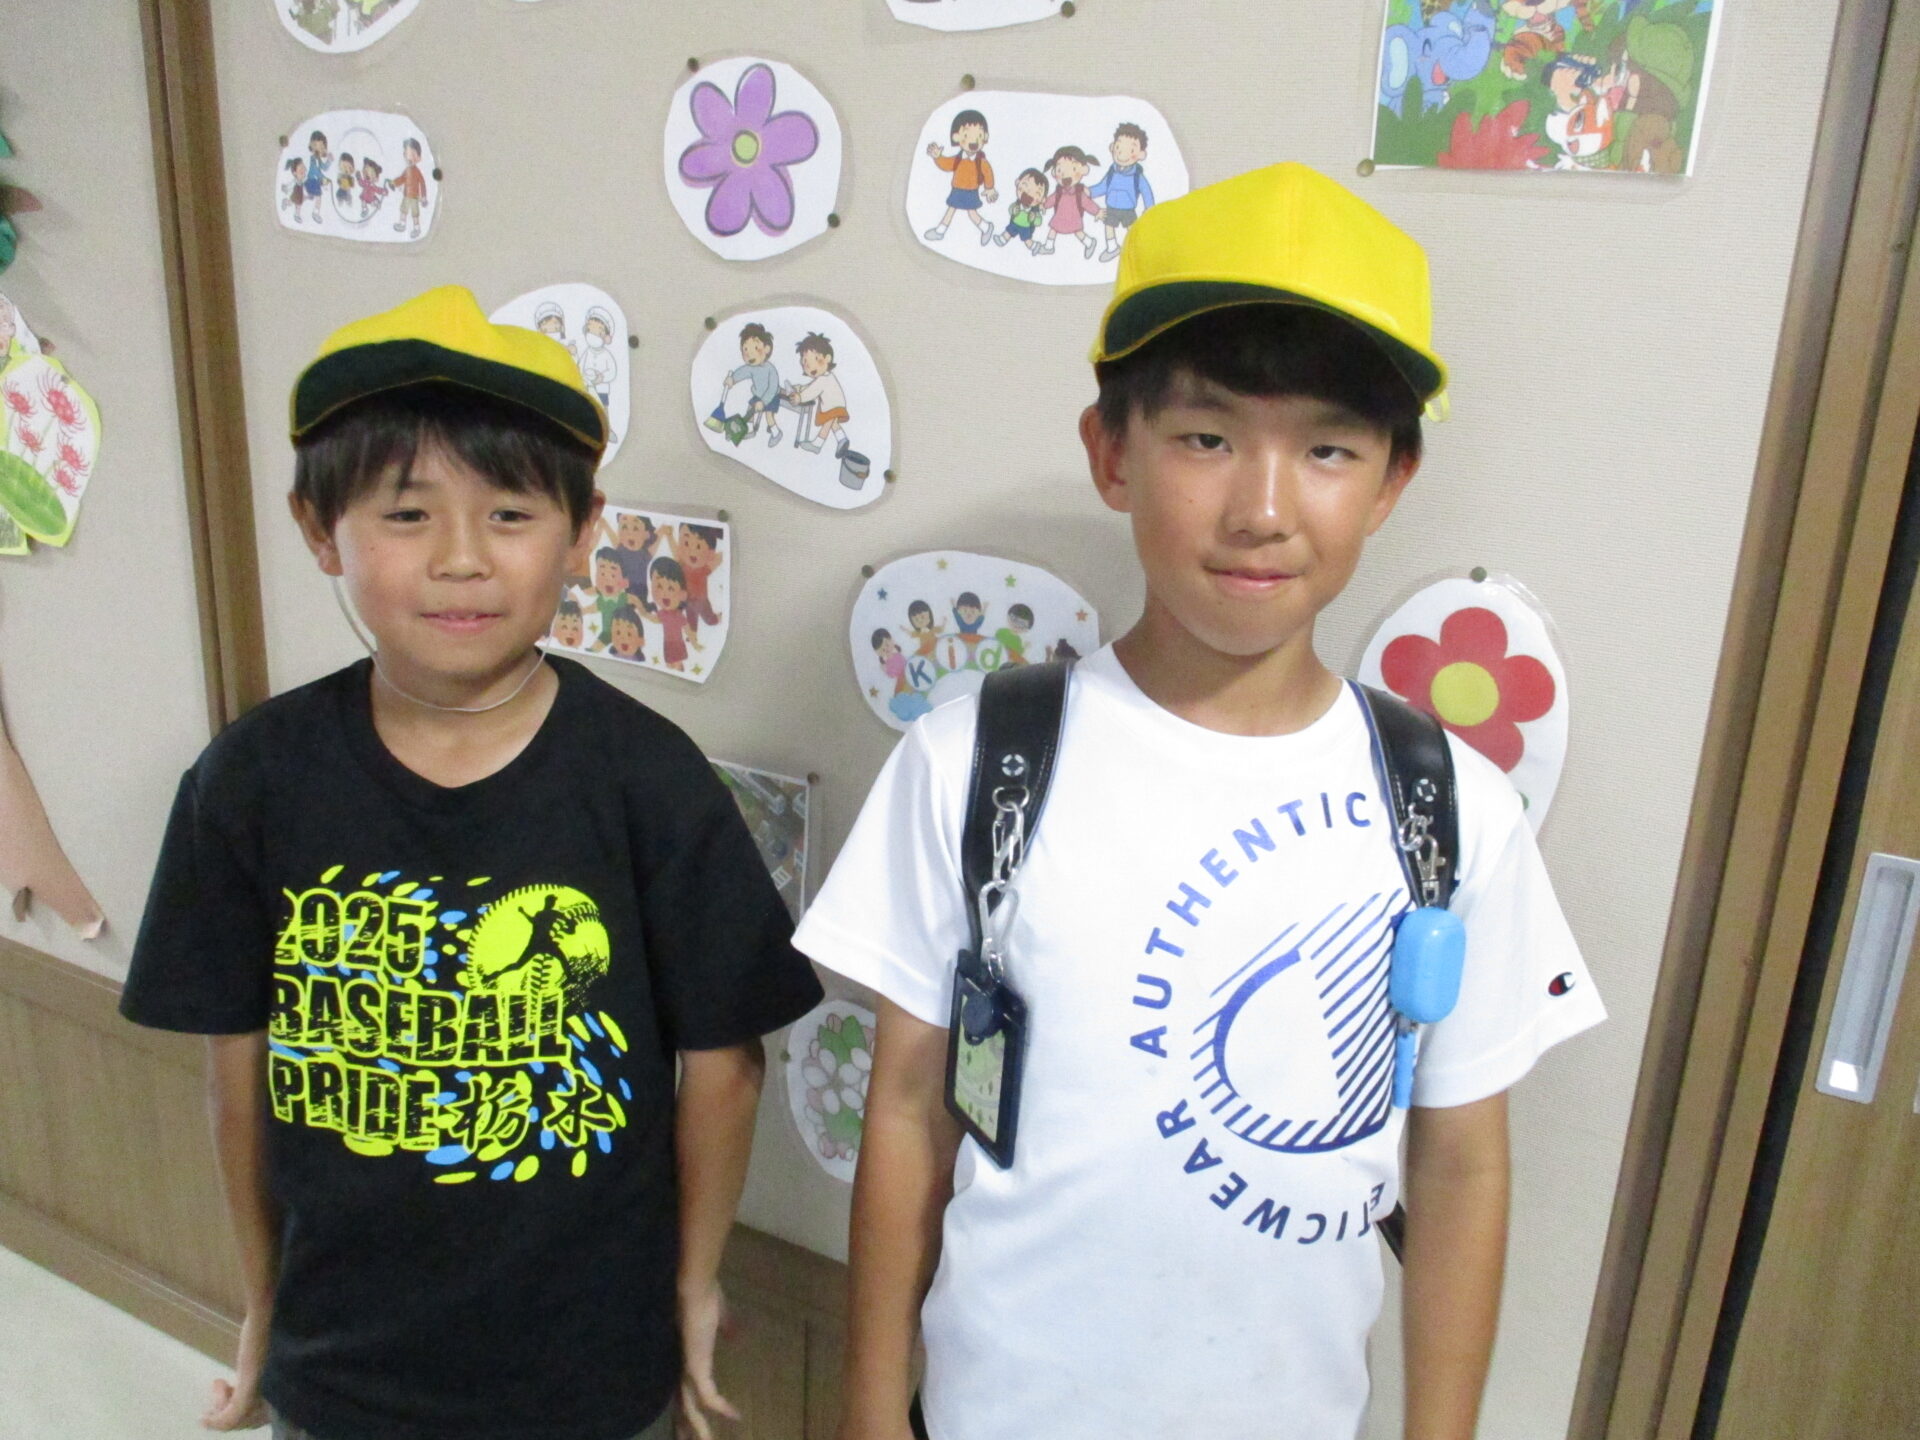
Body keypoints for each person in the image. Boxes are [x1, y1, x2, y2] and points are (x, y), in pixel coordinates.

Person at [794, 163, 1606, 1440]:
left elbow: (1460, 1161)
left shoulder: (1450, 810)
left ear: (1392, 481)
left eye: (1327, 450)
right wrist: (865, 1410)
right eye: (1207, 439)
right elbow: (905, 1107)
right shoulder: (977, 764)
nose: (1262, 510)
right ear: (1112, 453)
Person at [119, 284, 822, 1440]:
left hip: (594, 1371)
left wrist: (694, 1284)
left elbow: (724, 1059)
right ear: (318, 527)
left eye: (509, 513)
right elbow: (234, 1066)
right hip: (342, 1369)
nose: (461, 559)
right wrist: (262, 1301)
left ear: (583, 532)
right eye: (406, 514)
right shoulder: (252, 780)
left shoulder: (648, 780)